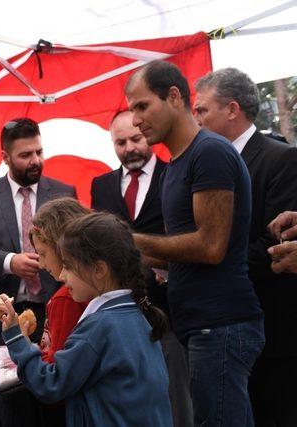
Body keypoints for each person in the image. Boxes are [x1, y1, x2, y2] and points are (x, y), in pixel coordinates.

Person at [126, 60, 264, 426]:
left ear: (174, 96)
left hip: (220, 324)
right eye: (131, 110)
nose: (136, 119)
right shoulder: (176, 165)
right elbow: (189, 254)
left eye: (142, 106)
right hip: (201, 324)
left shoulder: (210, 152)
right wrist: (147, 262)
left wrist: (130, 240)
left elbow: (210, 246)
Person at [194, 67, 297, 427]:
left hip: (272, 324)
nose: (196, 118)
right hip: (225, 321)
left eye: (203, 110)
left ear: (232, 109)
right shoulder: (207, 162)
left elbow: (277, 241)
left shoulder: (279, 158)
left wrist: (208, 260)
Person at [0, 212, 172, 427]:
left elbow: (50, 383)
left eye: (69, 266)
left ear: (99, 270)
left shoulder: (100, 327)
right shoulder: (135, 314)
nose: (62, 276)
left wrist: (17, 340)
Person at [91, 110, 192, 427]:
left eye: (135, 139)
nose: (129, 148)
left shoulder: (174, 174)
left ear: (146, 135)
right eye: (120, 142)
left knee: (178, 400)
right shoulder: (101, 185)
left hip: (169, 310)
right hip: (121, 316)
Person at [0, 118, 76, 345]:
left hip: (55, 309)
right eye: (25, 156)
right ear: (5, 157)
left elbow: (77, 249)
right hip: (4, 315)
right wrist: (10, 261)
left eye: (39, 152)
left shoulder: (63, 192)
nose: (35, 161)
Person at [28, 197, 90, 363]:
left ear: (62, 248)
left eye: (43, 254)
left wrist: (19, 344)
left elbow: (56, 369)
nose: (41, 264)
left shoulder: (66, 299)